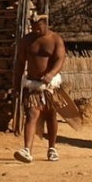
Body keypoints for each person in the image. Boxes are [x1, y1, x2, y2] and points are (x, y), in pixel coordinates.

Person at [13, 12, 67, 163]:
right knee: (31, 115)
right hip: (33, 84)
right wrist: (16, 84)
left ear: (45, 24)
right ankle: (27, 150)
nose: (35, 30)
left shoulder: (56, 40)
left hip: (50, 85)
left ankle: (52, 148)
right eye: (33, 27)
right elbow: (19, 63)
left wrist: (51, 74)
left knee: (51, 115)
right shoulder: (27, 41)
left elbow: (60, 59)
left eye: (38, 27)